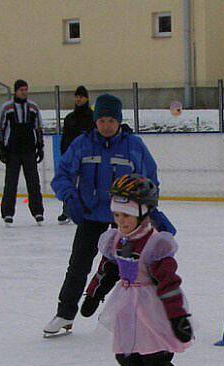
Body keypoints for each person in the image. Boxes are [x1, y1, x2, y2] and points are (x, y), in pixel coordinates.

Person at [44, 93, 177, 337]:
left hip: (126, 218)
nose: (106, 125)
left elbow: (150, 179)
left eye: (111, 121)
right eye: (102, 120)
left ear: (119, 122)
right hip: (90, 214)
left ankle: (146, 315)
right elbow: (61, 175)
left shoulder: (133, 145)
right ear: (95, 121)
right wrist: (70, 197)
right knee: (78, 265)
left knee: (135, 267)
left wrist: (150, 210)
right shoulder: (82, 144)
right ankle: (65, 313)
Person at [81, 174, 192, 366]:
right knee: (127, 357)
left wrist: (178, 317)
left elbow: (169, 284)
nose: (121, 222)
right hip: (125, 306)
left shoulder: (156, 245)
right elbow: (107, 270)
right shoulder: (115, 240)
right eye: (117, 215)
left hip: (151, 308)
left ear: (144, 213)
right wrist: (93, 295)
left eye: (126, 216)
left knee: (155, 358)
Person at [0, 79, 44, 226]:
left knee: (34, 182)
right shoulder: (7, 107)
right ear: (15, 91)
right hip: (13, 152)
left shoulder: (33, 108)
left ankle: (38, 211)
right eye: (21, 90)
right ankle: (7, 213)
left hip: (29, 150)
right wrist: (2, 149)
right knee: (11, 183)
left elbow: (39, 128)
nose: (24, 92)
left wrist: (40, 147)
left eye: (26, 90)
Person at [57, 85, 95, 224]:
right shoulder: (69, 118)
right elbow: (65, 137)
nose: (79, 99)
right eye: (77, 96)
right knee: (70, 185)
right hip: (72, 157)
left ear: (86, 99)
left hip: (89, 157)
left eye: (82, 97)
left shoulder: (92, 117)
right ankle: (67, 211)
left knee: (87, 185)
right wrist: (64, 153)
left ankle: (87, 209)